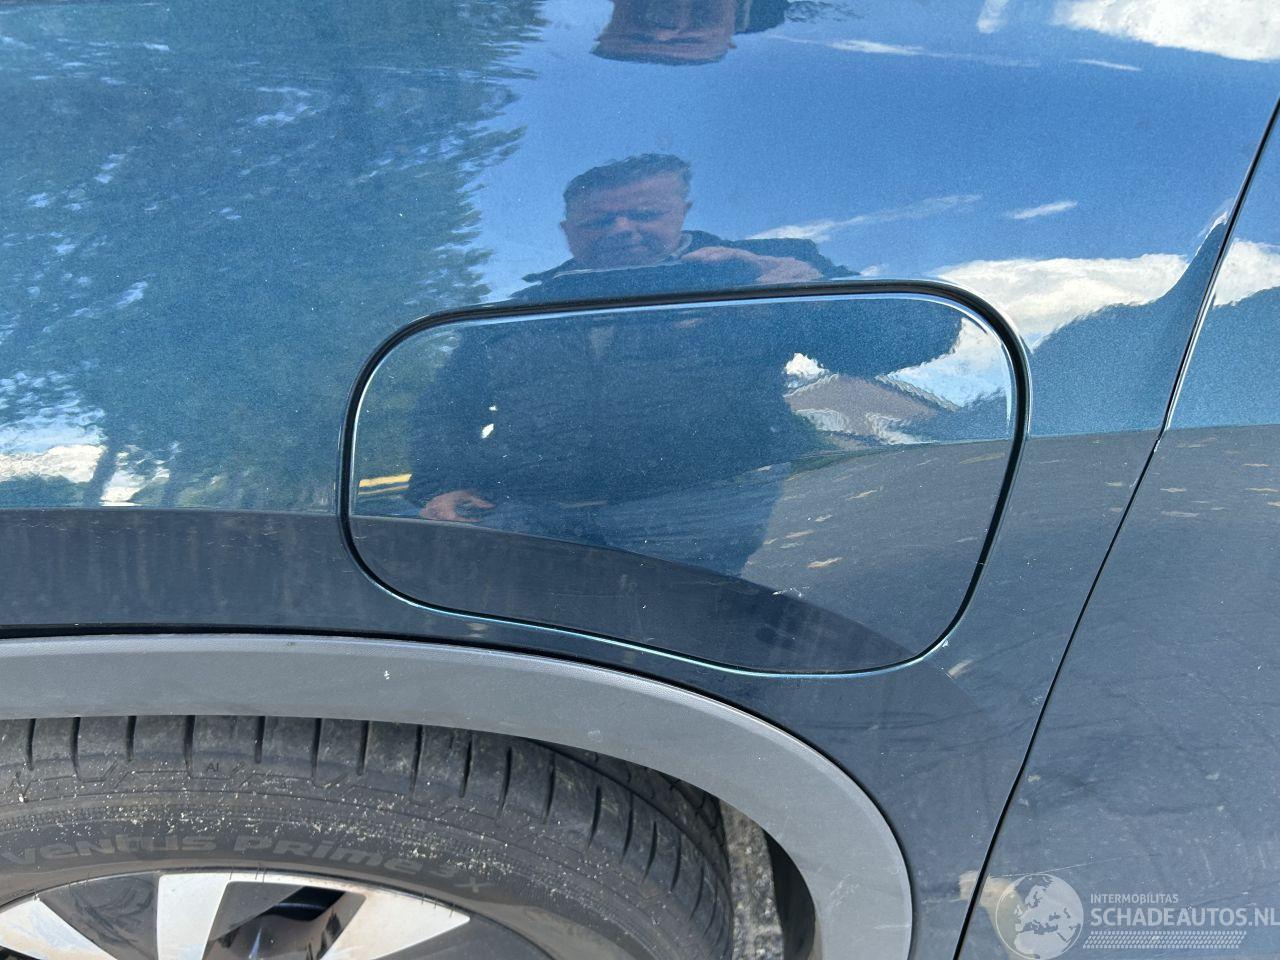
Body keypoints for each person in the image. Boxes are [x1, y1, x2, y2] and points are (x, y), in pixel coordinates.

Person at [405, 155, 955, 578]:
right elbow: (445, 408)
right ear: (569, 230)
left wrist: (812, 292)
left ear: (682, 212)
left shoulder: (752, 273)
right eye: (599, 220)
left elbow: (919, 334)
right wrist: (442, 483)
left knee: (695, 654)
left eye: (644, 214)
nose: (621, 228)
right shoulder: (526, 305)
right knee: (530, 656)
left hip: (706, 509)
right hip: (532, 515)